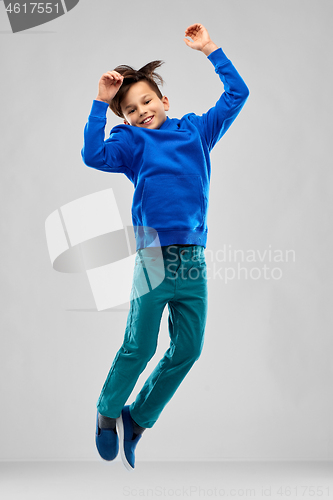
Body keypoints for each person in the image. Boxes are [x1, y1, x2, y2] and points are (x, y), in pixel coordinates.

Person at [81, 23, 249, 471]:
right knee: (140, 345)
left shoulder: (197, 132)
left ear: (165, 101)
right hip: (153, 257)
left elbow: (238, 95)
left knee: (189, 348)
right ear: (125, 120)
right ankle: (107, 412)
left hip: (192, 258)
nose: (141, 112)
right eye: (130, 110)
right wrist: (101, 102)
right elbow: (92, 156)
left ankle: (138, 418)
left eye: (147, 101)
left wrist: (210, 50)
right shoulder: (130, 144)